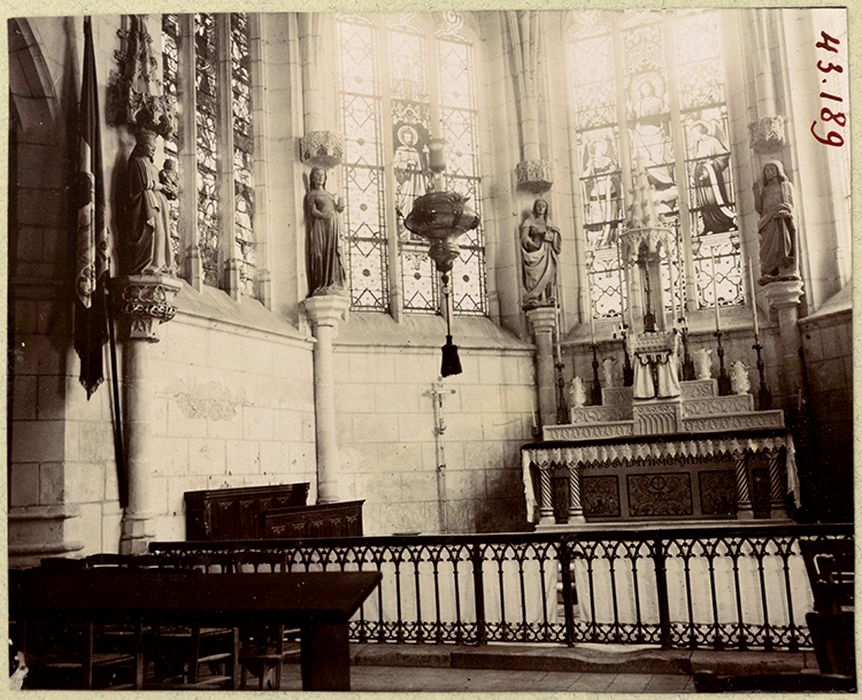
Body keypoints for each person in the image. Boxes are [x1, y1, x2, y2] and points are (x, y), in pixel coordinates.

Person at [123, 128, 173, 276]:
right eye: (151, 147)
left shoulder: (153, 167)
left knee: (160, 232)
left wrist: (168, 188)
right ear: (142, 145)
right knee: (150, 231)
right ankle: (146, 265)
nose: (153, 150)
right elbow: (144, 183)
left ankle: (158, 264)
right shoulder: (137, 162)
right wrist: (163, 187)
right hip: (143, 205)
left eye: (155, 148)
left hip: (154, 203)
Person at [753, 160, 799, 281]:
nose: (769, 173)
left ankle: (785, 271)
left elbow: (790, 204)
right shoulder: (765, 190)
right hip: (767, 222)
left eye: (771, 170)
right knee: (767, 248)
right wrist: (756, 195)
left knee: (783, 244)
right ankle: (770, 272)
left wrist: (785, 211)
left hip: (781, 220)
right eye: (767, 171)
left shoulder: (786, 186)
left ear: (778, 171)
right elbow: (760, 209)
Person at [304, 166, 346, 297]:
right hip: (320, 227)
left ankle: (332, 282)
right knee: (320, 253)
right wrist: (323, 216)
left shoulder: (329, 195)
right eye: (317, 175)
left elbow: (336, 209)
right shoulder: (311, 194)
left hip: (332, 226)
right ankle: (321, 284)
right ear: (312, 178)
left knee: (332, 252)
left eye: (322, 175)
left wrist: (340, 206)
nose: (320, 177)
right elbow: (312, 211)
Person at [691, 121, 735, 234]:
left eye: (694, 133)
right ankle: (709, 225)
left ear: (700, 131)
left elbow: (724, 155)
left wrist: (712, 163)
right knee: (705, 202)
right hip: (701, 178)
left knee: (715, 200)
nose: (693, 136)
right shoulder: (699, 145)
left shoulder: (713, 141)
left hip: (712, 176)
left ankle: (725, 223)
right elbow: (695, 162)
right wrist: (692, 175)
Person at [520, 198, 561, 309]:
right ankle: (534, 298)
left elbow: (555, 235)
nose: (541, 207)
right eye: (539, 205)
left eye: (543, 205)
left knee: (549, 274)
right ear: (535, 207)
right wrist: (532, 244)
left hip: (548, 251)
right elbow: (524, 237)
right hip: (535, 251)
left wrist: (544, 233)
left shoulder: (549, 222)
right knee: (535, 275)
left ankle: (549, 297)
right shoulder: (529, 221)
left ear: (546, 208)